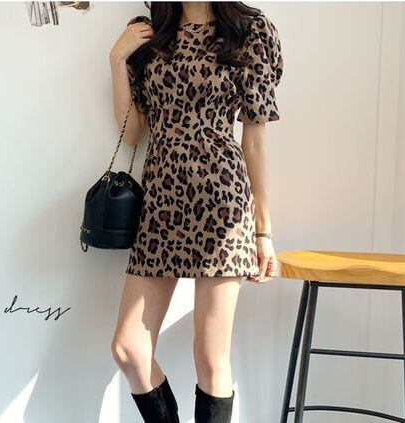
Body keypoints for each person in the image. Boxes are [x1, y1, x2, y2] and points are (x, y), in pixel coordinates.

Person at [109, 2, 283, 421]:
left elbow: (254, 139)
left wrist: (263, 232)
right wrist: (116, 60)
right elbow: (132, 133)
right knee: (129, 349)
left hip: (222, 203)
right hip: (161, 205)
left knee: (210, 357)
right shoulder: (150, 34)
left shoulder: (249, 30)